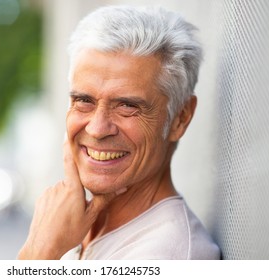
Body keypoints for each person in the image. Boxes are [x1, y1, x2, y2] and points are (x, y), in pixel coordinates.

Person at [18, 5, 220, 260]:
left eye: (127, 106)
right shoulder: (70, 228)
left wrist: (40, 253)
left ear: (180, 118)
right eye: (83, 100)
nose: (97, 128)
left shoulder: (164, 255)